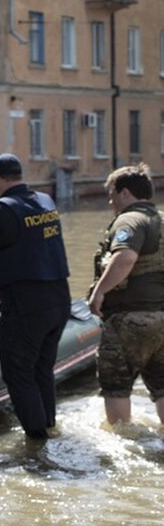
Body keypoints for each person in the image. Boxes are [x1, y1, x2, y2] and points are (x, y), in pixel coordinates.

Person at [0, 152, 70, 440]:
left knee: (17, 372)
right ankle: (49, 425)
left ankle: (37, 443)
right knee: (41, 369)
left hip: (27, 305)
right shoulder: (46, 201)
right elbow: (30, 248)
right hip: (60, 300)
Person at [87, 163, 164, 427]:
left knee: (116, 385)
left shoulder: (130, 220)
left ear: (126, 193)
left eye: (112, 194)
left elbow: (126, 257)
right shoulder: (161, 220)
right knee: (162, 386)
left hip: (129, 320)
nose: (111, 201)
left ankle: (122, 441)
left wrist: (99, 292)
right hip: (162, 319)